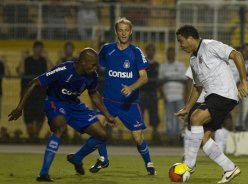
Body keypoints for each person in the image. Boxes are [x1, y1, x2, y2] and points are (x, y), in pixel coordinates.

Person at [8, 48, 117, 182]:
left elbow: (94, 95)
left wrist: (107, 115)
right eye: (93, 64)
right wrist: (20, 107)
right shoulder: (63, 70)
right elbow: (34, 83)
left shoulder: (92, 76)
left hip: (75, 105)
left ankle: (77, 158)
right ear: (83, 62)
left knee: (103, 135)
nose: (96, 67)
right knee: (60, 128)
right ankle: (43, 173)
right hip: (55, 102)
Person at [69, 17, 156, 175]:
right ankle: (101, 159)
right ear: (116, 32)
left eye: (126, 30)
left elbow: (144, 77)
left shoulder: (136, 52)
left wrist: (131, 87)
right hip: (108, 101)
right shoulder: (107, 49)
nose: (123, 33)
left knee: (137, 138)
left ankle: (149, 163)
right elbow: (93, 65)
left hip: (129, 104)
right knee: (97, 128)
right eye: (120, 30)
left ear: (131, 32)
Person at [175, 25, 248, 183]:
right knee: (204, 139)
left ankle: (189, 164)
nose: (180, 45)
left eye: (181, 41)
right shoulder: (193, 60)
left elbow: (237, 55)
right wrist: (186, 108)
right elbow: (197, 87)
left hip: (224, 93)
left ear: (190, 38)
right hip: (213, 96)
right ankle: (229, 168)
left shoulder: (210, 45)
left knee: (195, 118)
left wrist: (243, 81)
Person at [16, 41, 51, 141]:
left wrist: (47, 57)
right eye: (37, 49)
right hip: (28, 94)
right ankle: (32, 136)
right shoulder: (27, 60)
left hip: (41, 94)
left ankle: (36, 136)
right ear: (34, 49)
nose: (38, 51)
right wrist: (23, 58)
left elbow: (50, 72)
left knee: (40, 117)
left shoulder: (44, 60)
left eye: (40, 49)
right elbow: (21, 72)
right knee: (29, 118)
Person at [159, 46, 186, 141]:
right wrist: (163, 95)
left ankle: (179, 137)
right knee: (169, 117)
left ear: (175, 54)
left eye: (172, 52)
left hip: (179, 96)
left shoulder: (181, 65)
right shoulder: (163, 67)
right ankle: (170, 137)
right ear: (166, 54)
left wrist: (185, 95)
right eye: (169, 53)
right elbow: (160, 83)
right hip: (168, 96)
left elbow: (186, 82)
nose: (171, 54)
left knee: (180, 118)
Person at [139, 43, 161, 143]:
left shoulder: (157, 65)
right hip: (143, 93)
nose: (150, 52)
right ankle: (138, 136)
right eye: (149, 50)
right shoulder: (143, 63)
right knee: (140, 115)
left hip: (153, 93)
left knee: (154, 115)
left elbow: (159, 80)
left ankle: (155, 136)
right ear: (146, 52)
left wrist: (160, 91)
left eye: (152, 50)